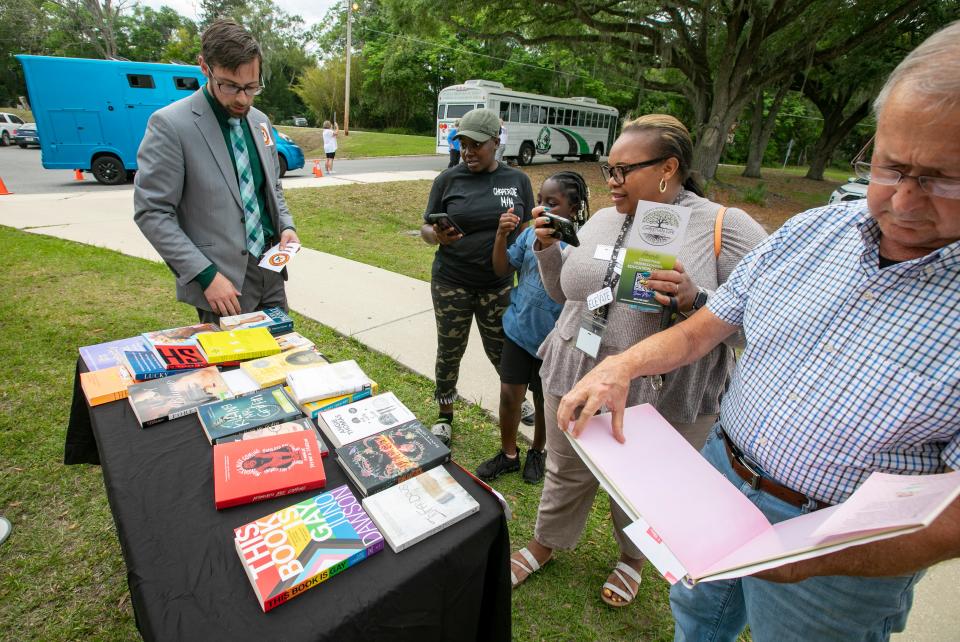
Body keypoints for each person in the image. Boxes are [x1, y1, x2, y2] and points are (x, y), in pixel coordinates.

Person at [558, 22, 960, 640]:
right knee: (697, 621)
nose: (903, 201)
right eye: (888, 167)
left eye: (940, 179)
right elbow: (701, 332)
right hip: (718, 479)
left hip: (836, 552)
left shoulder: (727, 222)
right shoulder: (808, 234)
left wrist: (815, 558)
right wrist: (622, 365)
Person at [509, 115, 767, 608]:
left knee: (645, 490)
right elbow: (566, 291)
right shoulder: (604, 217)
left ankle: (632, 559)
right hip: (576, 367)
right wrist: (547, 250)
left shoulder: (724, 226)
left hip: (663, 391)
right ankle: (546, 543)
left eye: (625, 170)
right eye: (609, 167)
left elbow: (762, 327)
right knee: (566, 468)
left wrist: (696, 299)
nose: (611, 180)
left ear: (669, 167)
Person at [134, 19, 298, 326]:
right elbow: (152, 212)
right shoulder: (170, 125)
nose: (242, 99)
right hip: (222, 279)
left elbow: (272, 186)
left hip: (270, 267)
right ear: (204, 67)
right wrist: (205, 275)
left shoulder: (260, 121)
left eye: (251, 87)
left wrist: (285, 225)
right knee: (234, 370)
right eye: (230, 86)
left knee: (280, 357)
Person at [420, 107, 535, 445]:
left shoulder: (517, 181)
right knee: (450, 350)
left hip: (497, 285)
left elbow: (525, 231)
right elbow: (426, 227)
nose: (468, 152)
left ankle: (517, 400)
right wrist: (436, 235)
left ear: (496, 143)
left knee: (503, 351)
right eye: (463, 144)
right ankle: (444, 414)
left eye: (476, 145)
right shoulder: (448, 180)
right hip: (451, 282)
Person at [476, 171, 590, 484]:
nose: (541, 208)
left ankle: (537, 452)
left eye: (551, 203)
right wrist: (501, 235)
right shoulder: (528, 235)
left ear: (574, 207)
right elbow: (501, 268)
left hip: (552, 340)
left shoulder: (581, 248)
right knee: (510, 395)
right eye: (539, 201)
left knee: (543, 403)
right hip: (518, 330)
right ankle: (508, 454)